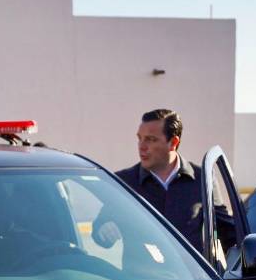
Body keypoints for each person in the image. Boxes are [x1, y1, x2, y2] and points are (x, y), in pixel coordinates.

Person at [92, 108, 235, 258]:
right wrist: (103, 231)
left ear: (173, 142)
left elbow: (228, 232)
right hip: (140, 279)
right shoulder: (124, 182)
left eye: (151, 139)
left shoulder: (202, 179)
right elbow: (100, 230)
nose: (142, 146)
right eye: (140, 138)